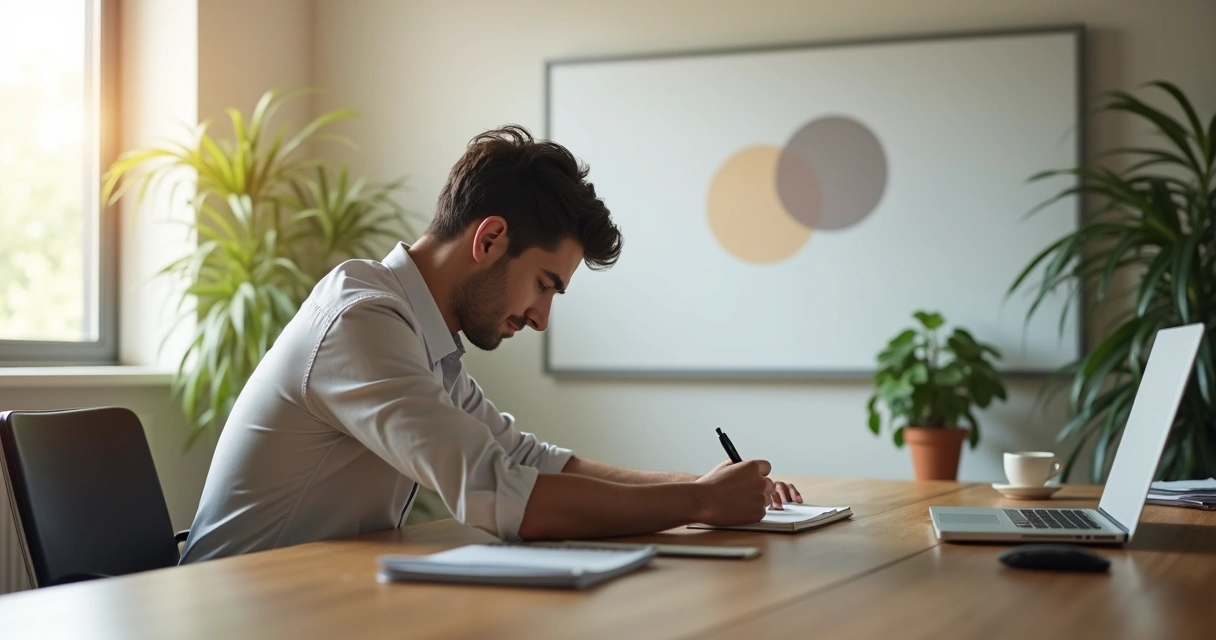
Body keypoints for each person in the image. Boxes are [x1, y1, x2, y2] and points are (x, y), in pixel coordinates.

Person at [180, 125, 801, 562]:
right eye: (544, 284)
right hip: (237, 609)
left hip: (311, 601)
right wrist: (699, 501)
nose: (540, 318)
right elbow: (502, 496)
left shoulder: (425, 337)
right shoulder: (361, 321)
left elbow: (530, 462)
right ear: (490, 238)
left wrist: (704, 485)